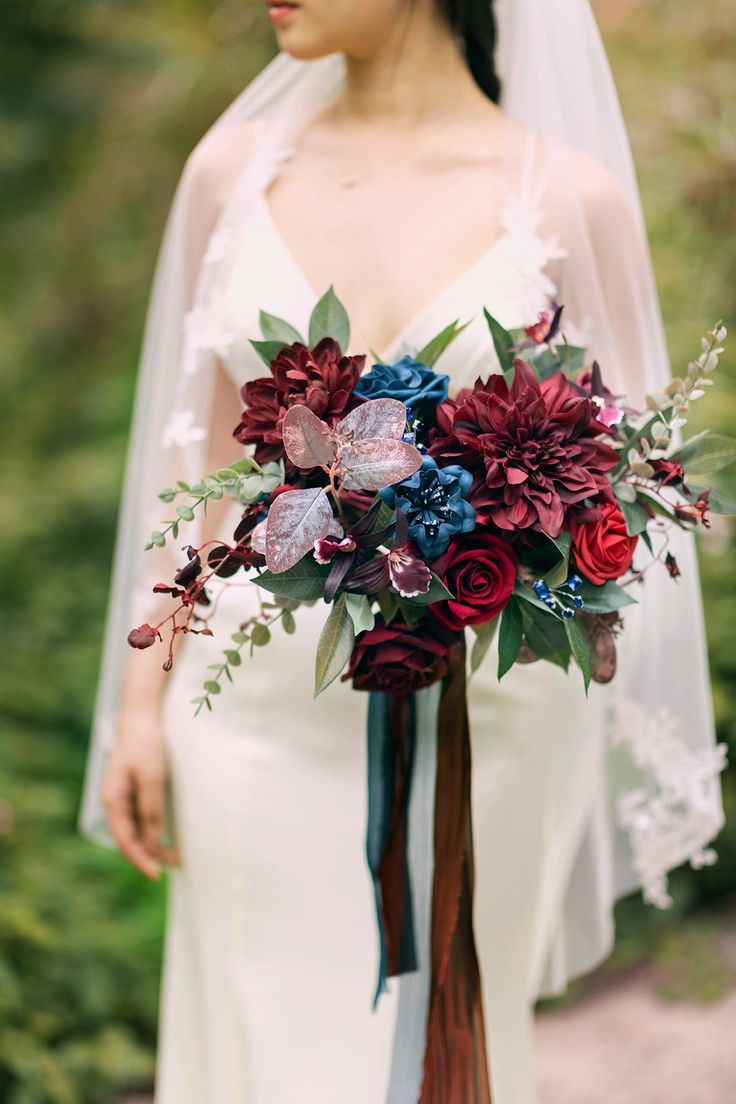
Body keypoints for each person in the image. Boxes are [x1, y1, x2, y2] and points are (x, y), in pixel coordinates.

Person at [79, 1, 726, 1101]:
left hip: (487, 717)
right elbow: (181, 463)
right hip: (254, 713)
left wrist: (519, 548)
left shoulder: (568, 196)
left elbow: (623, 483)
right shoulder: (228, 173)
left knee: (452, 1049)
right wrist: (140, 707)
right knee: (261, 1043)